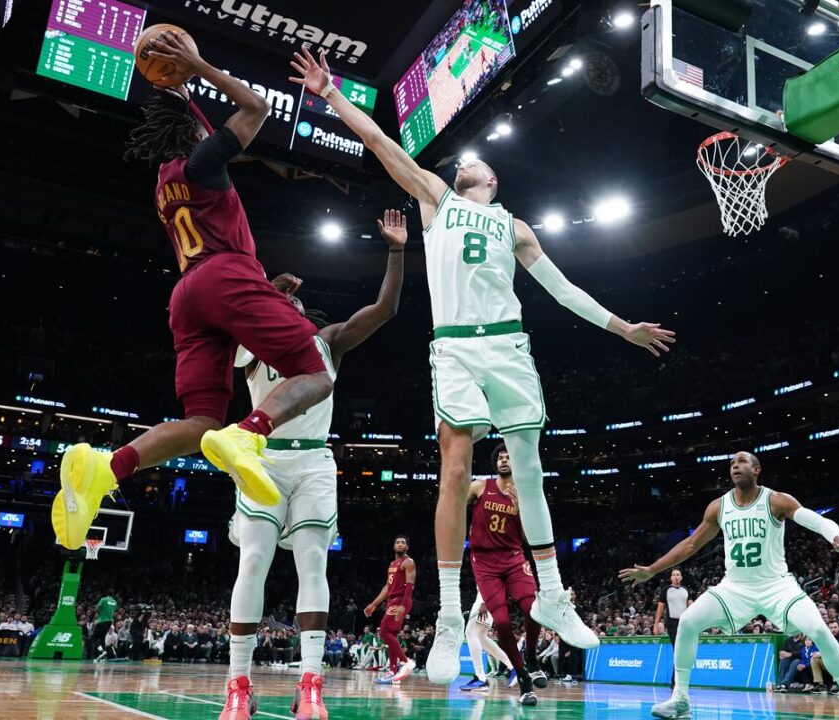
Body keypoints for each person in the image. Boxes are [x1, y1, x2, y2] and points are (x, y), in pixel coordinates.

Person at [289, 49, 675, 684]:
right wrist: (331, 95)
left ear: (492, 181)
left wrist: (622, 327)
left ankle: (551, 591)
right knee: (456, 469)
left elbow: (561, 289)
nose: (465, 161)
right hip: (456, 347)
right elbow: (382, 141)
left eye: (477, 163)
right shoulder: (437, 199)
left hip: (509, 345)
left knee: (528, 471)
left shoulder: (515, 227)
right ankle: (446, 617)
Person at [51, 31, 333, 551]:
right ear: (193, 129)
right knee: (315, 373)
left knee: (199, 422)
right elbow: (257, 108)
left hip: (190, 294)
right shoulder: (204, 160)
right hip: (225, 275)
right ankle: (251, 431)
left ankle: (107, 469)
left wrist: (261, 287)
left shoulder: (164, 178)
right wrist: (198, 65)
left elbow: (206, 245)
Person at [219, 210, 407, 719]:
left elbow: (385, 309)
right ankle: (238, 686)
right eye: (284, 306)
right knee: (253, 562)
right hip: (262, 460)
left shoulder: (328, 343)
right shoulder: (251, 348)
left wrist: (395, 250)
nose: (291, 309)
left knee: (312, 564)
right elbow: (224, 337)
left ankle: (311, 684)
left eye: (296, 305)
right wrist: (265, 293)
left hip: (313, 464)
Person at [619, 452, 839, 720]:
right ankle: (681, 699)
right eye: (732, 464)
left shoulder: (776, 500)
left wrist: (838, 541)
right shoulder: (718, 507)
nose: (735, 466)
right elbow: (691, 544)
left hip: (777, 586)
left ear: (756, 470)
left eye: (741, 462)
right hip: (734, 587)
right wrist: (651, 570)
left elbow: (817, 520)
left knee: (819, 630)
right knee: (688, 621)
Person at [461, 445, 546, 704]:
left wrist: (522, 507)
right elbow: (453, 504)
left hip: (513, 558)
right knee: (502, 623)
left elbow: (534, 535)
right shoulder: (479, 487)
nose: (504, 459)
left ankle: (530, 657)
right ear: (494, 462)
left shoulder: (524, 493)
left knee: (535, 609)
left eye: (509, 456)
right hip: (485, 564)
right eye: (500, 456)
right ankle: (522, 679)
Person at [365, 536, 417, 685]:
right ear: (394, 546)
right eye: (397, 542)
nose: (400, 544)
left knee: (384, 632)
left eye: (403, 543)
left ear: (407, 547)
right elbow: (388, 587)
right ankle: (393, 672)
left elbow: (409, 586)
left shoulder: (408, 562)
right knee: (392, 634)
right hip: (391, 601)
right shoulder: (393, 564)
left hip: (400, 600)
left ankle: (406, 663)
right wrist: (374, 604)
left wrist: (403, 604)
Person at [460, 588, 514, 691]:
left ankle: (481, 678)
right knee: (481, 638)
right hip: (490, 599)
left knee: (471, 633)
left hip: (485, 599)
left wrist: (484, 602)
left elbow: (489, 578)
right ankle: (513, 667)